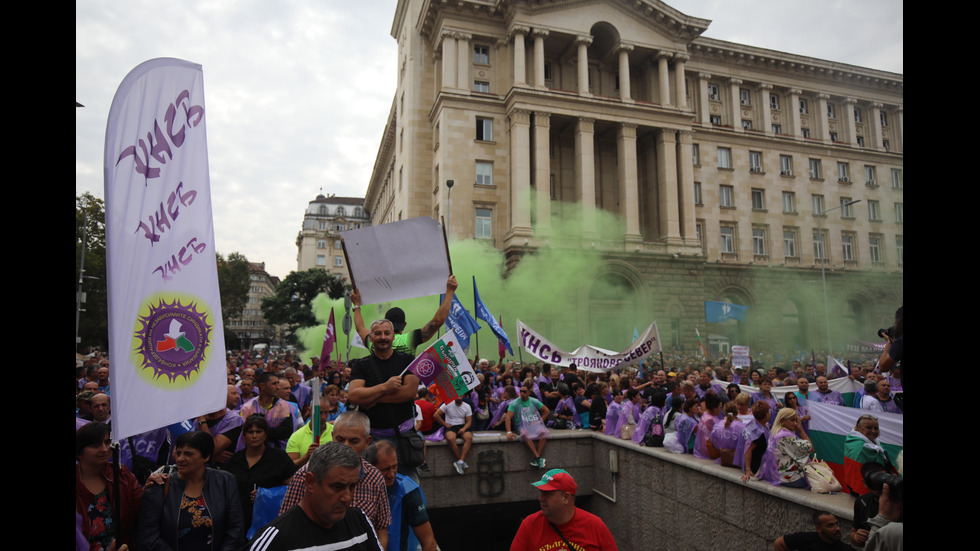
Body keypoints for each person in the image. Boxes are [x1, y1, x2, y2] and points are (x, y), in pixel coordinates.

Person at [278, 411, 390, 549]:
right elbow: (286, 525)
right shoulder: (306, 475)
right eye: (340, 439)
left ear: (367, 442)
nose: (346, 446)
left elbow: (381, 530)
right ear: (332, 437)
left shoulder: (375, 478)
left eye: (354, 441)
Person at [245, 442, 384, 551]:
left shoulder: (359, 521)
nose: (347, 497)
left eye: (352, 486)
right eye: (337, 487)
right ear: (310, 482)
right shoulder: (277, 539)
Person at [137, 430, 244, 551]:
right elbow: (148, 537)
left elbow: (236, 529)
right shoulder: (159, 485)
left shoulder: (225, 481)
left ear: (206, 456)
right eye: (178, 453)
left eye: (188, 454)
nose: (180, 459)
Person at [347, 318, 421, 481]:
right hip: (373, 440)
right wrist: (385, 387)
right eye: (378, 333)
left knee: (410, 491)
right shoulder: (361, 365)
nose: (383, 337)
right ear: (371, 338)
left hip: (404, 438)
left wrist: (371, 398)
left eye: (387, 333)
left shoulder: (408, 360)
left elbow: (408, 393)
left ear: (393, 336)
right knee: (372, 488)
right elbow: (354, 396)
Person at [510, 469, 617, 551]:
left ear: (566, 498)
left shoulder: (596, 526)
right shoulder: (529, 525)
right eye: (541, 493)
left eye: (547, 494)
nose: (541, 498)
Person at [351, 275, 459, 356]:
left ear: (386, 323)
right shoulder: (409, 339)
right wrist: (450, 291)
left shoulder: (374, 340)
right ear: (405, 324)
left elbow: (360, 328)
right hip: (405, 385)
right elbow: (437, 321)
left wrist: (356, 305)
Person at [76, 422, 142, 551]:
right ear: (79, 452)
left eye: (107, 442)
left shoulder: (122, 475)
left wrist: (153, 487)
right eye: (95, 445)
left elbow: (142, 513)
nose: (105, 449)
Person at [223, 416, 298, 529]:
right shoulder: (233, 461)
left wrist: (266, 495)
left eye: (259, 431)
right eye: (250, 432)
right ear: (244, 435)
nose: (254, 436)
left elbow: (294, 487)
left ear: (266, 434)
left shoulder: (279, 458)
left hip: (271, 522)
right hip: (239, 523)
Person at [364, 441, 439, 551]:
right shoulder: (357, 486)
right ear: (370, 467)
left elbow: (429, 541)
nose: (391, 474)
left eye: (394, 467)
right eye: (385, 469)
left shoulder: (408, 491)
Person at [238, 371, 304, 450]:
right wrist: (273, 430)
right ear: (262, 386)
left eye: (278, 383)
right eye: (274, 384)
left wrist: (260, 430)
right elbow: (244, 432)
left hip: (279, 452)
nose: (277, 387)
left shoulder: (285, 406)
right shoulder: (247, 408)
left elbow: (287, 431)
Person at [843, 415, 894, 496]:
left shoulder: (873, 442)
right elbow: (858, 474)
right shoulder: (859, 447)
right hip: (865, 491)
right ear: (858, 428)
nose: (873, 431)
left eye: (876, 428)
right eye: (869, 428)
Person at [505, 383, 551, 468]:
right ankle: (538, 457)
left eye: (524, 392)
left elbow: (546, 411)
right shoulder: (514, 403)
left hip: (533, 423)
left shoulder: (534, 401)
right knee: (524, 433)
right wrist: (509, 432)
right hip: (521, 425)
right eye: (521, 391)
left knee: (544, 432)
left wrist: (539, 421)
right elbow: (508, 417)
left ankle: (537, 458)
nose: (522, 393)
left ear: (529, 393)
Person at [286, 395, 337, 467]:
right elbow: (290, 466)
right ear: (309, 411)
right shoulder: (297, 436)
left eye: (326, 413)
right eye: (319, 413)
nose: (323, 417)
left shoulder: (336, 433)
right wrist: (306, 457)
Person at [737, 401, 779, 485]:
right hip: (756, 468)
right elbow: (748, 450)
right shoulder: (758, 432)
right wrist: (748, 470)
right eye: (769, 411)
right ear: (766, 414)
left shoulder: (754, 424)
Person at [769, 408, 813, 489]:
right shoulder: (785, 436)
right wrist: (801, 430)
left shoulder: (774, 433)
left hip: (777, 476)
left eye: (797, 421)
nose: (796, 424)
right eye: (792, 420)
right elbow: (810, 448)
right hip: (790, 479)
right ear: (782, 420)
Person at [433, 395, 474, 474]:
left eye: (461, 396)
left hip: (462, 426)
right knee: (451, 439)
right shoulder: (447, 403)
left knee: (469, 438)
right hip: (450, 426)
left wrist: (464, 429)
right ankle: (461, 461)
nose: (459, 397)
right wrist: (445, 424)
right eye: (457, 396)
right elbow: (436, 415)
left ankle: (460, 461)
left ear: (463, 396)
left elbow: (469, 421)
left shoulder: (467, 406)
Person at [773, 511, 851, 551]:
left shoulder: (845, 549)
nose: (837, 528)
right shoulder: (806, 539)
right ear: (818, 528)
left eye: (837, 524)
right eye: (830, 525)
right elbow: (779, 543)